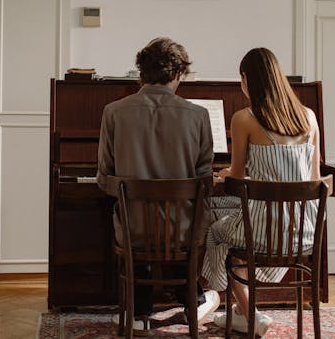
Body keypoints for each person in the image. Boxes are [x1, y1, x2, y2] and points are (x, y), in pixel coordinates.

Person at [96, 37, 221, 331]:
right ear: (178, 74)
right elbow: (205, 183)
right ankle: (192, 297)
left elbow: (104, 178)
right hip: (183, 231)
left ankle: (138, 312)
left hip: (134, 230)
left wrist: (134, 190)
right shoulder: (198, 115)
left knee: (126, 215)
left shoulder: (113, 112)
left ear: (141, 72)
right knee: (186, 219)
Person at [201, 47, 321, 336]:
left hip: (265, 230)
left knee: (217, 233)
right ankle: (243, 312)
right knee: (241, 236)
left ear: (246, 79)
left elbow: (238, 175)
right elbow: (314, 180)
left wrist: (224, 174)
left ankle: (250, 315)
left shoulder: (245, 118)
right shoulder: (309, 117)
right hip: (303, 230)